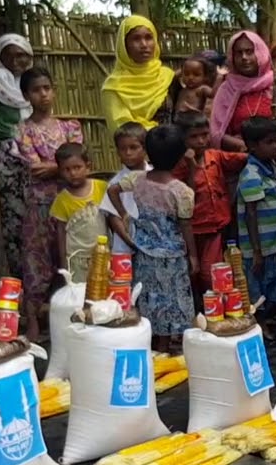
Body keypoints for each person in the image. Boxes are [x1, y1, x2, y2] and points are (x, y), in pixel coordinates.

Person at [0, 66, 84, 339]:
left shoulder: (70, 126)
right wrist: (63, 167)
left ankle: (73, 316)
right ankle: (33, 320)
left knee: (72, 257)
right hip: (41, 205)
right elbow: (36, 168)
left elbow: (77, 161)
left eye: (47, 88)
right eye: (36, 90)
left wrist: (56, 168)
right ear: (26, 95)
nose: (43, 94)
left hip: (72, 202)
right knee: (37, 261)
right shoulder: (23, 130)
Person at [131, 125, 197, 354]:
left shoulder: (138, 182)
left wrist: (124, 216)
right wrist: (194, 255)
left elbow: (113, 192)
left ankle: (156, 345)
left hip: (144, 253)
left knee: (151, 299)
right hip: (173, 256)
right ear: (180, 157)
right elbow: (186, 225)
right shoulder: (181, 191)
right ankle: (171, 349)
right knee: (174, 300)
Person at [167, 110, 248, 295]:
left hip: (214, 228)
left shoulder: (215, 157)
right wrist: (191, 168)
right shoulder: (178, 166)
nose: (201, 141)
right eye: (194, 137)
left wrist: (250, 149)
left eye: (204, 135)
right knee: (191, 273)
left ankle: (214, 308)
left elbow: (242, 159)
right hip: (191, 230)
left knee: (209, 273)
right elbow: (186, 196)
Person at [237, 117, 276, 324]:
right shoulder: (251, 175)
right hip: (260, 247)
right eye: (269, 142)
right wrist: (256, 251)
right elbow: (251, 213)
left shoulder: (271, 166)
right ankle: (262, 325)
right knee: (258, 289)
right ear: (253, 146)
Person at [210, 31, 276, 152]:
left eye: (249, 51)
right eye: (239, 53)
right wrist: (244, 146)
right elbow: (216, 132)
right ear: (232, 57)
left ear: (260, 53)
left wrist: (268, 146)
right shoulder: (226, 89)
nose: (244, 57)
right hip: (236, 159)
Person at [102, 15, 175, 130]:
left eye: (149, 38)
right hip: (134, 147)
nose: (144, 45)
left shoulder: (167, 77)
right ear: (124, 45)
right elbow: (121, 128)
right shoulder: (113, 86)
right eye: (136, 39)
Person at [49, 143, 107, 282]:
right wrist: (64, 263)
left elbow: (111, 220)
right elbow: (61, 233)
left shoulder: (101, 188)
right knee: (79, 294)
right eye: (67, 170)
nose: (73, 173)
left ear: (88, 166)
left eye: (77, 167)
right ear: (60, 171)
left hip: (102, 255)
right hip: (76, 260)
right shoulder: (62, 200)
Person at [0, 33, 34, 161]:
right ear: (0, 58)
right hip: (6, 148)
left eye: (20, 55)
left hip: (33, 145)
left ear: (29, 56)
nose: (14, 62)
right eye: (8, 56)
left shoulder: (33, 80)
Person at [101, 122, 149, 256]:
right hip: (125, 248)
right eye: (123, 149)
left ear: (145, 149)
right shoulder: (115, 183)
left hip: (153, 245)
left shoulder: (154, 175)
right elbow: (114, 218)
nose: (128, 153)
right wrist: (132, 243)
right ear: (117, 151)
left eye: (133, 147)